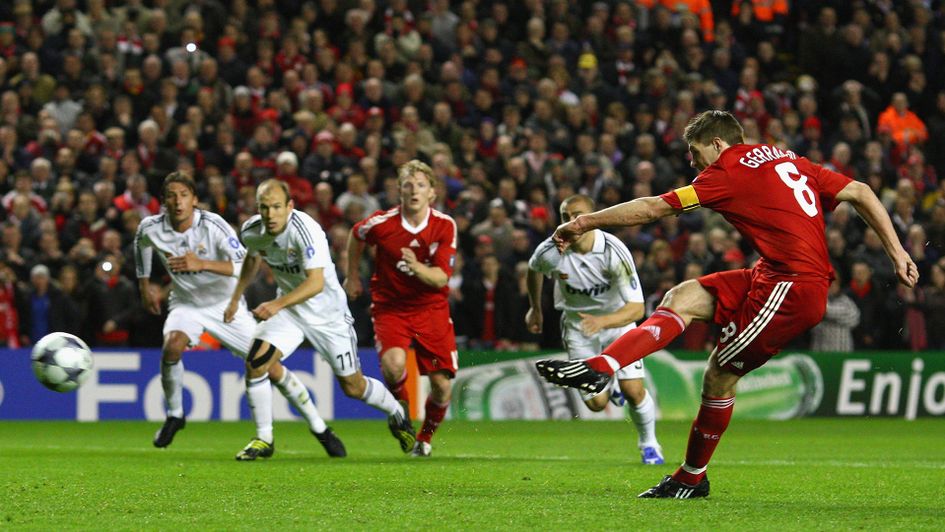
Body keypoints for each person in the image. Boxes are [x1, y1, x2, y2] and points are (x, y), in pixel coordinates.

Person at [536, 110, 918, 498]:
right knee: (679, 297)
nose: (691, 161)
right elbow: (861, 191)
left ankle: (691, 477)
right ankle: (602, 367)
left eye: (694, 150)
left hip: (792, 287)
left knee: (719, 374)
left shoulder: (725, 173)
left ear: (718, 145)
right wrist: (897, 251)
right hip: (770, 274)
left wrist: (585, 222)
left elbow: (654, 208)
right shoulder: (786, 157)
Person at [136, 172, 345, 458]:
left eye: (184, 195)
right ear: (164, 201)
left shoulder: (214, 225)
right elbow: (142, 246)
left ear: (194, 200)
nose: (178, 201)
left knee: (268, 366)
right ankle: (175, 414)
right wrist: (144, 284)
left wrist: (201, 263)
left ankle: (320, 427)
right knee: (171, 346)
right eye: (171, 195)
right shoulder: (150, 227)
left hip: (224, 305)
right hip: (185, 304)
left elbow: (241, 265)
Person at [225, 179, 414, 460]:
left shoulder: (306, 230)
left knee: (353, 387)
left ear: (290, 207)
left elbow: (315, 283)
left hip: (327, 315)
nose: (270, 214)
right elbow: (252, 260)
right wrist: (235, 297)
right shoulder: (253, 231)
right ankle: (264, 438)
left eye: (277, 207)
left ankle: (397, 411)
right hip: (291, 312)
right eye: (264, 207)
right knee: (255, 364)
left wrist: (276, 303)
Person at [526, 194, 664, 465]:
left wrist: (602, 322)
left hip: (618, 324)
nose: (571, 222)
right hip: (578, 328)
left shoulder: (613, 251)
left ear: (591, 219)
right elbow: (533, 270)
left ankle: (649, 444)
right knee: (596, 404)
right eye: (565, 217)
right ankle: (608, 383)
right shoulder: (552, 250)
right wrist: (536, 308)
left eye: (577, 215)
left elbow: (637, 309)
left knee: (634, 391)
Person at [345, 160, 459, 458]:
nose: (414, 190)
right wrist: (353, 275)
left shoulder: (444, 225)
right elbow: (356, 237)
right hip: (390, 307)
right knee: (394, 366)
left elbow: (441, 278)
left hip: (431, 308)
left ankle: (425, 439)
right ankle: (402, 414)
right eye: (408, 185)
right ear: (399, 190)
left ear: (432, 193)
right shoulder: (381, 224)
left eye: (421, 185)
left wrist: (416, 266)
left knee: (441, 387)